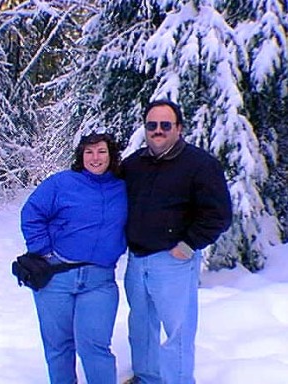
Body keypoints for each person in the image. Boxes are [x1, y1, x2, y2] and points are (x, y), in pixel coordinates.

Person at [121, 99, 232, 384]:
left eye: (165, 125)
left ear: (179, 128)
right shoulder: (134, 164)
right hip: (137, 261)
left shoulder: (200, 165)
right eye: (152, 125)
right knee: (141, 328)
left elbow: (219, 214)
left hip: (173, 263)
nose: (158, 131)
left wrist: (188, 244)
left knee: (177, 333)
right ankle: (147, 378)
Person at [20, 132, 128, 384]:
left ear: (111, 155)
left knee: (95, 347)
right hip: (55, 279)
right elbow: (32, 212)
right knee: (59, 347)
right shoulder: (62, 183)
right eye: (89, 152)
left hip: (99, 282)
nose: (95, 157)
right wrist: (43, 250)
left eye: (101, 151)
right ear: (81, 155)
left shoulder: (123, 188)